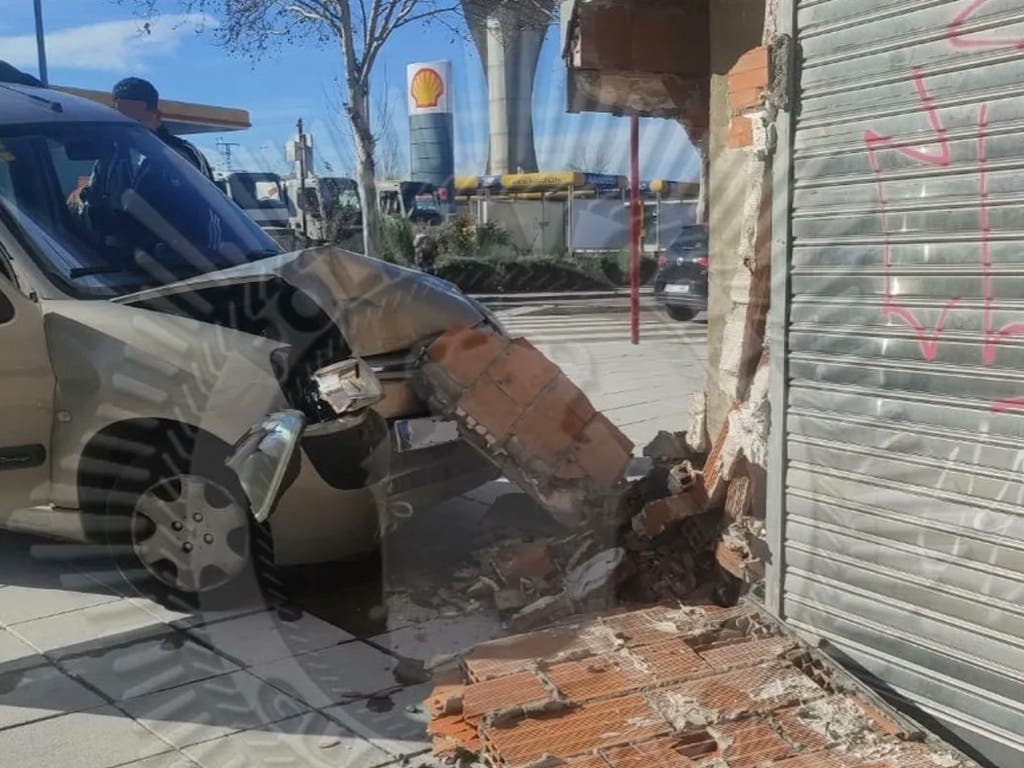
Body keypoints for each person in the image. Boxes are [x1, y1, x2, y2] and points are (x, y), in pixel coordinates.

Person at [111, 77, 214, 180]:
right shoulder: (108, 159)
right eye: (122, 119)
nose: (129, 128)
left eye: (136, 119)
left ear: (157, 116)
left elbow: (207, 194)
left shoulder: (182, 156)